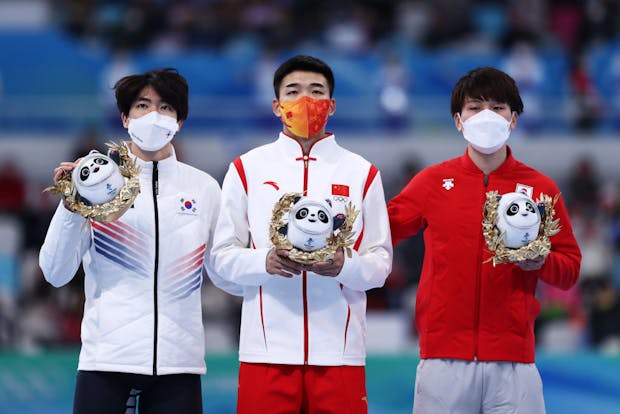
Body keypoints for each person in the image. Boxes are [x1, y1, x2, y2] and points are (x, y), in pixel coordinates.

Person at [39, 68, 241, 414]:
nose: (153, 116)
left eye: (165, 108)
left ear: (180, 120)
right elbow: (55, 273)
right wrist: (73, 204)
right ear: (124, 117)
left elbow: (225, 273)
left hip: (179, 364)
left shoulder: (204, 188)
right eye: (142, 106)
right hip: (106, 360)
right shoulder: (95, 185)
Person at [387, 67, 581, 414]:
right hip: (443, 360)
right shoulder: (432, 182)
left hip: (513, 362)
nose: (487, 116)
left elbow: (569, 269)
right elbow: (380, 233)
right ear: (459, 121)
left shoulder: (541, 189)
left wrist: (542, 261)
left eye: (498, 107)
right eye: (475, 107)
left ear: (514, 119)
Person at [210, 55, 393, 414]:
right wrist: (264, 261)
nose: (305, 100)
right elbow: (220, 258)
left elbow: (381, 263)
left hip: (340, 353)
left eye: (316, 91)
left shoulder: (362, 173)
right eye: (293, 92)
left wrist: (344, 265)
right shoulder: (247, 169)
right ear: (277, 106)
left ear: (332, 105)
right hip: (266, 351)